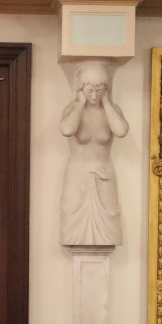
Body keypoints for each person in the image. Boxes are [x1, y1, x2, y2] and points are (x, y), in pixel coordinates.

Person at [59, 60, 129, 247]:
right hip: (77, 176)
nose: (94, 95)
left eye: (99, 90)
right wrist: (80, 103)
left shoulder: (112, 111)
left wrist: (106, 103)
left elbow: (121, 131)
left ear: (106, 89)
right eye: (89, 90)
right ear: (80, 89)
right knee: (73, 231)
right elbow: (66, 129)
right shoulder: (72, 110)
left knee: (109, 231)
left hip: (104, 175)